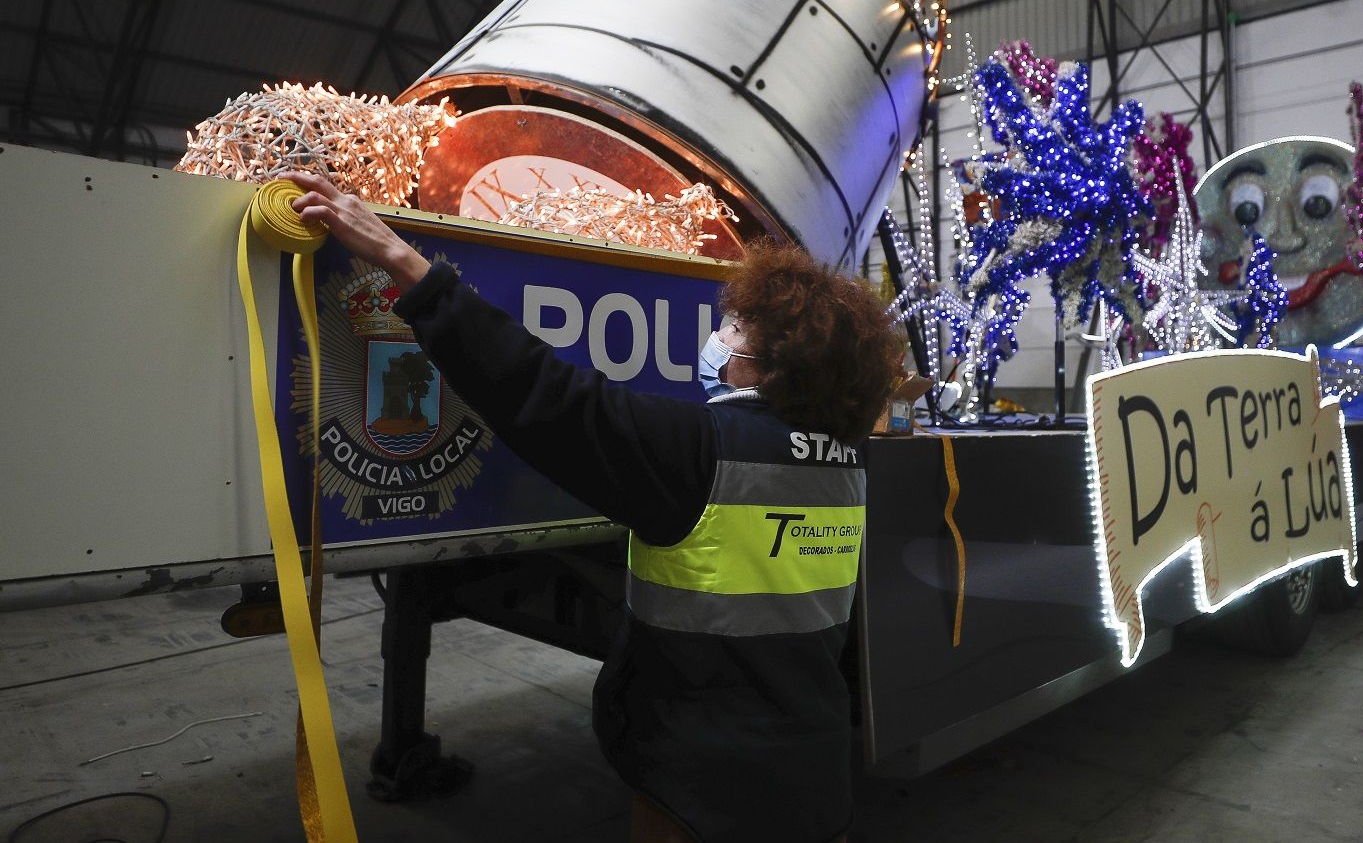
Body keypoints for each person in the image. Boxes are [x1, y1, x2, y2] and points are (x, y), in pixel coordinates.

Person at [285, 171, 901, 842]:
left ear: (772, 364)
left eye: (733, 326)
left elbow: (541, 391)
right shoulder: (849, 463)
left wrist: (402, 260)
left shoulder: (701, 451)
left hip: (699, 790)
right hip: (813, 780)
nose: (718, 336)